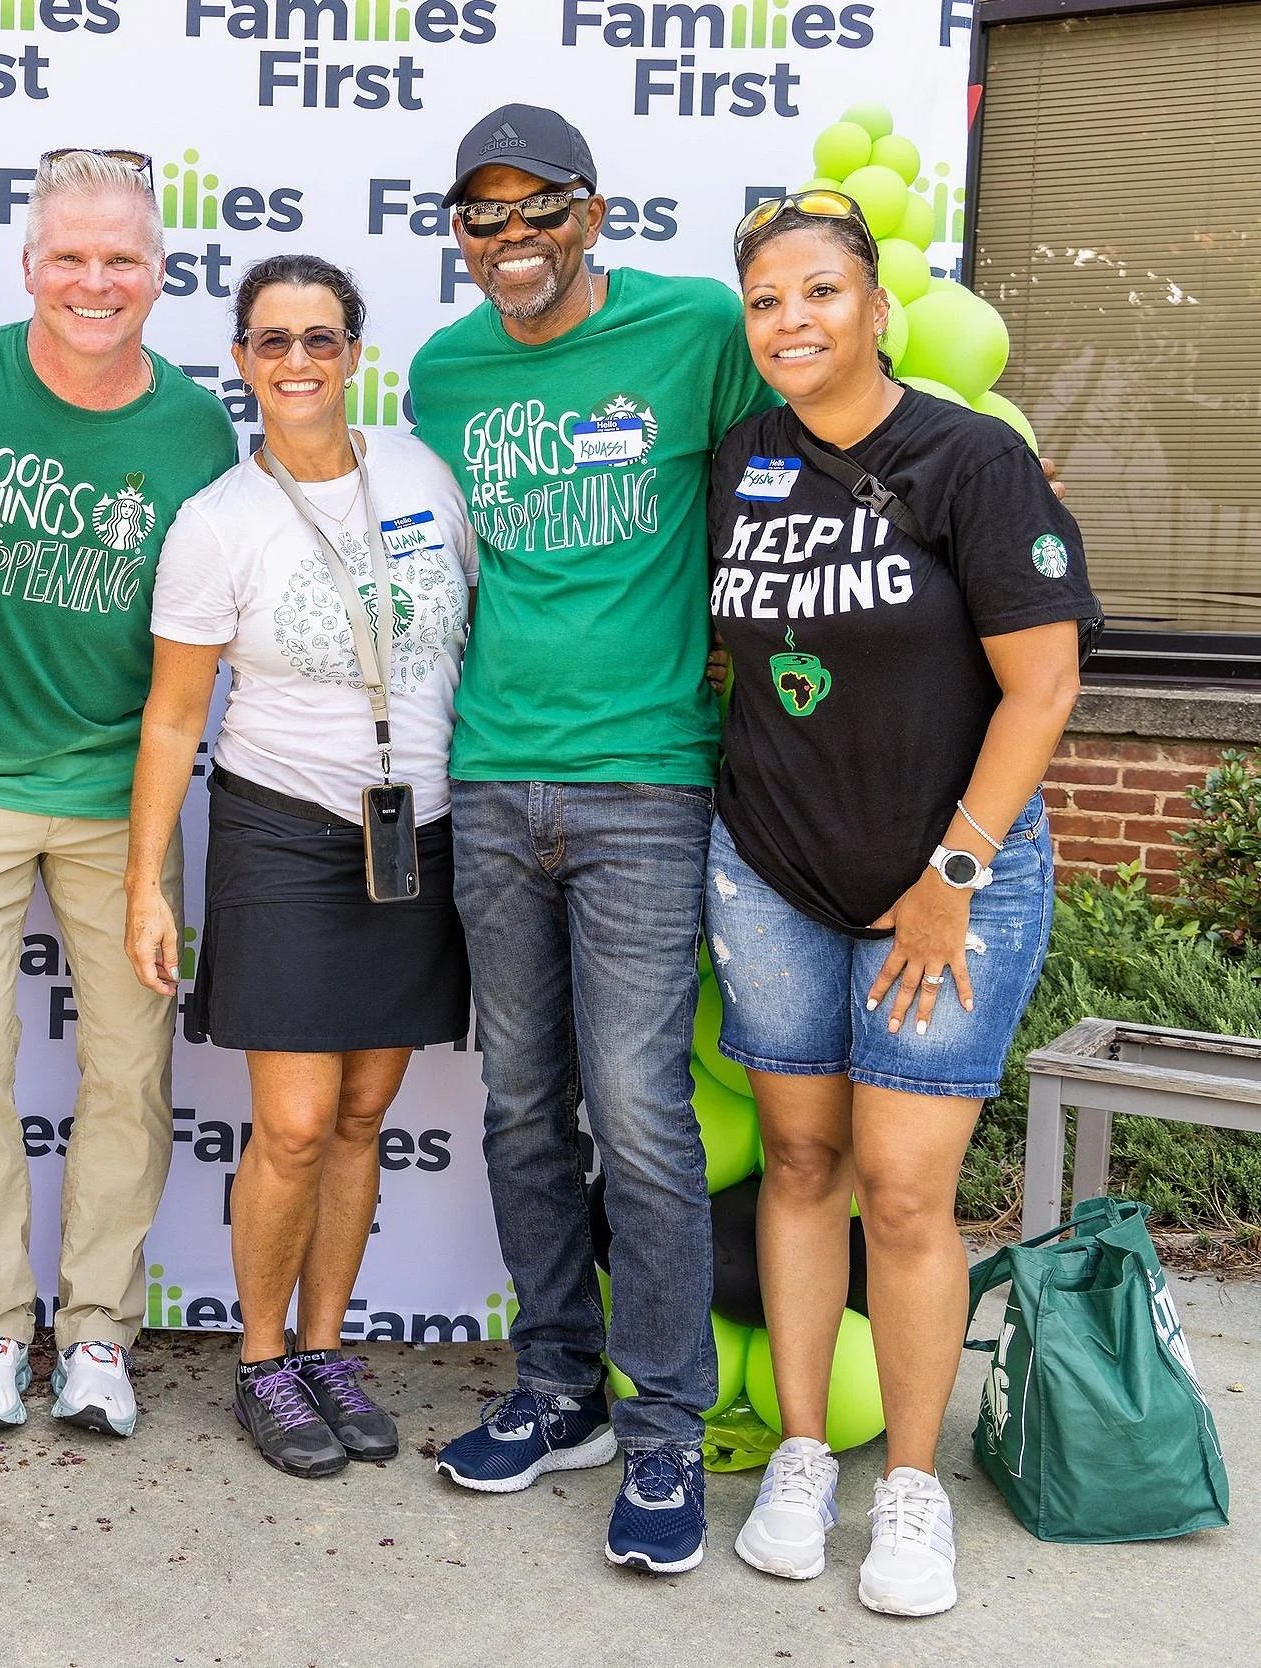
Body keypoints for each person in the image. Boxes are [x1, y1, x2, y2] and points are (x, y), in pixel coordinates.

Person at [705, 193, 1092, 1616]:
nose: (792, 321)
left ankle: (913, 1492)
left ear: (876, 308)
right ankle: (804, 1454)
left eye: (819, 292)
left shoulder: (969, 460)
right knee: (802, 1168)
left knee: (912, 1193)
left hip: (951, 884)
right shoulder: (739, 458)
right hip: (773, 875)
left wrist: (951, 880)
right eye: (765, 302)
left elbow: (1045, 687)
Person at [403, 104, 777, 1572]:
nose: (510, 244)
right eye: (480, 219)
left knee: (638, 1112)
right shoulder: (443, 371)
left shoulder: (696, 330)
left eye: (536, 211)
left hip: (644, 785)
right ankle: (558, 1387)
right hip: (492, 780)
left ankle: (665, 1432)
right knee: (517, 1105)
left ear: (594, 212)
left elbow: (823, 433)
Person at [0, 149, 237, 1437]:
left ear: (158, 272)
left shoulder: (192, 426)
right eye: (69, 257)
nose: (95, 281)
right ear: (29, 267)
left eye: (121, 258)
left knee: (128, 1074)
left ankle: (94, 1335)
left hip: (121, 796)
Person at [125, 256, 474, 1477]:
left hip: (415, 836)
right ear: (241, 360)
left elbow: (474, 636)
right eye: (270, 342)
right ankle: (264, 1363)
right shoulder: (219, 521)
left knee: (365, 1112)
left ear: (354, 352)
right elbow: (173, 718)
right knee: (292, 1122)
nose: (296, 364)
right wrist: (143, 885)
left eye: (318, 339)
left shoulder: (422, 474)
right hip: (284, 830)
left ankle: (327, 1350)